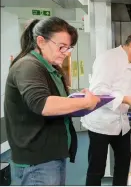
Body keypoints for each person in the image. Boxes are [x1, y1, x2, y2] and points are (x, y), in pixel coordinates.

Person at [4, 17, 100, 185]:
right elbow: (43, 104)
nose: (66, 52)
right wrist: (84, 103)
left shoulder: (50, 69)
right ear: (41, 41)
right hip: (37, 160)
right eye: (62, 47)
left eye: (69, 48)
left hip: (51, 155)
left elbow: (58, 102)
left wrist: (79, 99)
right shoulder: (28, 66)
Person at [81, 32, 131, 185]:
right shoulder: (108, 59)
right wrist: (126, 99)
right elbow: (98, 91)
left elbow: (130, 87)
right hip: (101, 123)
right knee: (97, 168)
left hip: (121, 123)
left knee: (123, 164)